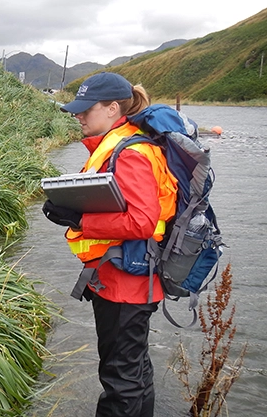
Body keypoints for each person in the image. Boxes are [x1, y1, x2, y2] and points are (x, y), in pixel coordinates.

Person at [42, 72, 178, 417]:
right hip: (127, 278)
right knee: (134, 372)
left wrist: (79, 220)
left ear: (113, 108)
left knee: (120, 380)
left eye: (86, 109)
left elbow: (142, 221)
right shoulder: (117, 145)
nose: (78, 115)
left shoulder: (131, 153)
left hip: (125, 286)